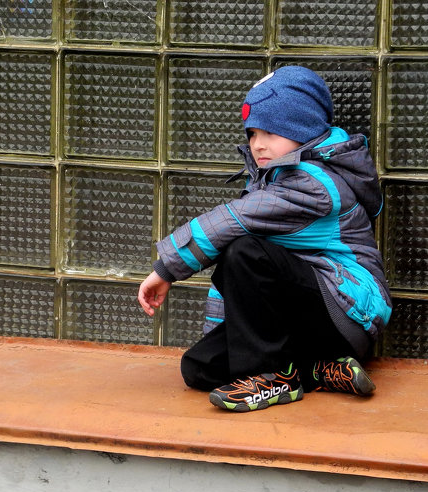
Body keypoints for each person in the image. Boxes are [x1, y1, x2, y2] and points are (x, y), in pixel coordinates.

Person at [137, 66, 392, 413]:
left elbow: (231, 222)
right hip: (312, 323)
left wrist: (166, 269)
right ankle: (318, 370)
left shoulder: (313, 184)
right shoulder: (276, 177)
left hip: (348, 313)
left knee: (245, 250)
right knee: (199, 367)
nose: (258, 144)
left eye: (271, 132)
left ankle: (273, 377)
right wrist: (222, 332)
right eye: (253, 132)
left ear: (303, 128)